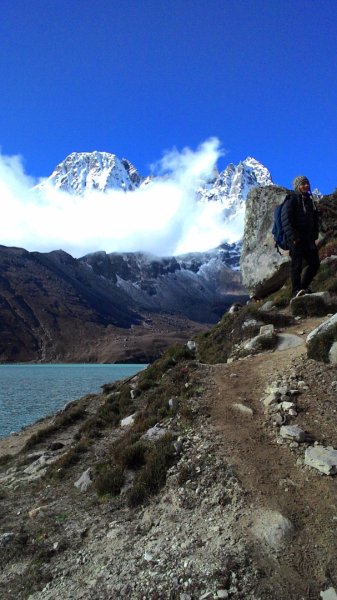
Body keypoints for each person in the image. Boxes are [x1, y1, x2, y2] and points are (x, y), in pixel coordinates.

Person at [281, 175, 320, 298]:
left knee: (315, 264)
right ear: (298, 186)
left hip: (308, 239)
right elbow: (285, 220)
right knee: (296, 265)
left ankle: (303, 287)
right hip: (296, 240)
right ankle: (295, 291)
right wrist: (293, 237)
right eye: (303, 184)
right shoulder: (291, 199)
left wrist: (314, 234)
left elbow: (314, 219)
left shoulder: (309, 200)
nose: (306, 186)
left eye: (307, 183)